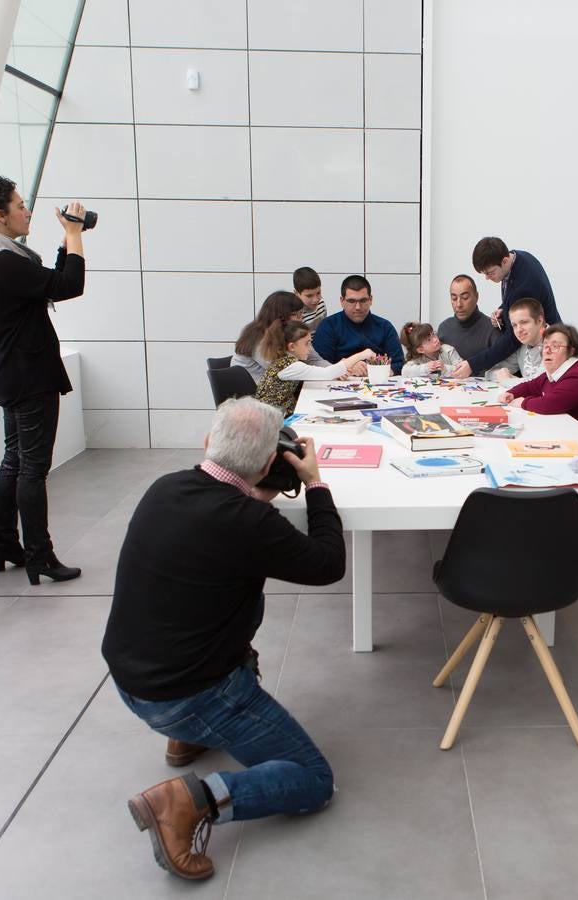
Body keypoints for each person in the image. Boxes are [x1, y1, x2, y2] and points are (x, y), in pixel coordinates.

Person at [103, 397, 346, 881]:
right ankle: (189, 800)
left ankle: (186, 738)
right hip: (187, 692)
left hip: (132, 678)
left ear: (209, 442)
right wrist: (315, 482)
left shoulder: (164, 487)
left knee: (209, 598)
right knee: (314, 780)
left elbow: (223, 531)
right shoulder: (250, 524)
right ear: (266, 465)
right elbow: (328, 563)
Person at [0, 171, 85, 585]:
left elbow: (48, 286)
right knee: (32, 469)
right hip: (29, 375)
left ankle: (5, 543)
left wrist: (66, 244)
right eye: (20, 205)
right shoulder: (2, 261)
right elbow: (70, 285)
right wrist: (77, 235)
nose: (27, 211)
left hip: (13, 371)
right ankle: (39, 556)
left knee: (15, 459)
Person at [451, 237, 562, 379]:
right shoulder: (519, 256)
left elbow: (512, 339)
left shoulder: (523, 287)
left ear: (504, 261)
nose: (487, 278)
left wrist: (472, 365)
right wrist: (504, 309)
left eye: (490, 273)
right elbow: (517, 298)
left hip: (544, 347)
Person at [255, 321, 374, 416]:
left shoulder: (284, 361)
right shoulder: (291, 367)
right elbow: (327, 373)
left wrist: (339, 370)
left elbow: (326, 372)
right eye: (307, 344)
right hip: (273, 418)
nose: (310, 349)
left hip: (277, 412)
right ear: (291, 347)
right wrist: (361, 355)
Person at [312, 275, 404, 376]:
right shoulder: (328, 326)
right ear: (342, 301)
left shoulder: (385, 327)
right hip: (337, 386)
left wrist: (374, 369)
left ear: (371, 300)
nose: (358, 307)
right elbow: (318, 365)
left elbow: (399, 364)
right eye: (351, 301)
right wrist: (347, 366)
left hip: (378, 386)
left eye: (363, 301)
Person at [232, 291, 330, 383]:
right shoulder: (259, 339)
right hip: (251, 396)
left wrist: (336, 371)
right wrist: (334, 370)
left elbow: (314, 360)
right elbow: (289, 370)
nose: (301, 318)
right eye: (296, 315)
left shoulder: (293, 332)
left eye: (302, 313)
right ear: (280, 317)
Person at [436, 274, 496, 375]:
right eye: (454, 298)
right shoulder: (444, 328)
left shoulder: (492, 329)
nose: (459, 304)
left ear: (476, 296)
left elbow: (501, 370)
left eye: (465, 297)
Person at [487, 298, 547, 386]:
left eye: (524, 322)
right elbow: (490, 373)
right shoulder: (523, 346)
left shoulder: (556, 343)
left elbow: (539, 385)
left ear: (539, 320)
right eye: (514, 325)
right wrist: (502, 375)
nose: (519, 330)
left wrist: (507, 380)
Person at [293, 266, 327, 332]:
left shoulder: (321, 304)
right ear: (296, 293)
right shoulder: (295, 313)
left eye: (318, 293)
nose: (316, 300)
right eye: (309, 296)